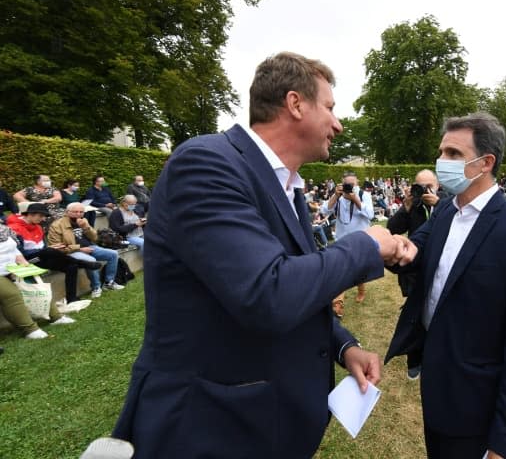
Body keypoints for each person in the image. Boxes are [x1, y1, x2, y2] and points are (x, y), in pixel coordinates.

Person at [112, 52, 415, 458]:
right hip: (211, 428)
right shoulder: (206, 163)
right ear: (295, 104)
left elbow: (295, 278)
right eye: (329, 108)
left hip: (261, 424)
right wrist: (367, 244)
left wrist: (342, 346)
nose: (338, 124)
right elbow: (266, 292)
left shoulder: (286, 185)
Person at [386, 112, 506, 459]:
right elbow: (417, 250)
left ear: (485, 162)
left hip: (477, 402)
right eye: (442, 152)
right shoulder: (446, 211)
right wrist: (388, 248)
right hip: (437, 383)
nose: (441, 161)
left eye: (453, 154)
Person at [387, 169, 441, 380]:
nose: (425, 190)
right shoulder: (413, 206)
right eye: (420, 186)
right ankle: (414, 361)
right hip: (415, 272)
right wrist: (406, 207)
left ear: (437, 185)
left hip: (438, 267)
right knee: (415, 316)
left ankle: (434, 355)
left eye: (429, 185)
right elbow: (392, 229)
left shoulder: (446, 203)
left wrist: (437, 203)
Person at [6, 203, 101, 303]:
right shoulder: (14, 228)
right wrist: (47, 249)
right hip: (26, 260)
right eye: (41, 216)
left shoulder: (38, 227)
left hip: (42, 256)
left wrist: (49, 248)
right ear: (30, 214)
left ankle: (72, 299)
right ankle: (82, 263)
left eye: (44, 216)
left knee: (71, 266)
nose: (43, 219)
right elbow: (19, 252)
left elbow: (42, 248)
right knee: (49, 251)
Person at [0, 223, 75, 339]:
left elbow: (14, 249)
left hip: (12, 267)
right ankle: (29, 329)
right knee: (10, 294)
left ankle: (56, 317)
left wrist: (23, 263)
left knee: (34, 284)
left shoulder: (3, 229)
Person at [47, 202, 125, 298]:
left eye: (81, 212)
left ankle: (109, 283)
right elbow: (56, 246)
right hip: (72, 251)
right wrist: (79, 248)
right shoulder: (57, 225)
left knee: (113, 254)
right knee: (90, 260)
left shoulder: (83, 221)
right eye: (75, 212)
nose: (79, 214)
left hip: (90, 247)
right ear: (67, 212)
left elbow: (96, 238)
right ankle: (96, 287)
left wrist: (86, 227)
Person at [321, 171, 375, 304]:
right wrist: (335, 195)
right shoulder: (337, 195)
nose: (349, 187)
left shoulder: (364, 195)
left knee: (358, 268)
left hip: (359, 237)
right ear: (342, 183)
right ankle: (338, 301)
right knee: (341, 268)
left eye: (352, 184)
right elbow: (324, 211)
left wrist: (355, 199)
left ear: (357, 184)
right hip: (342, 237)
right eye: (347, 184)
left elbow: (370, 215)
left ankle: (361, 290)